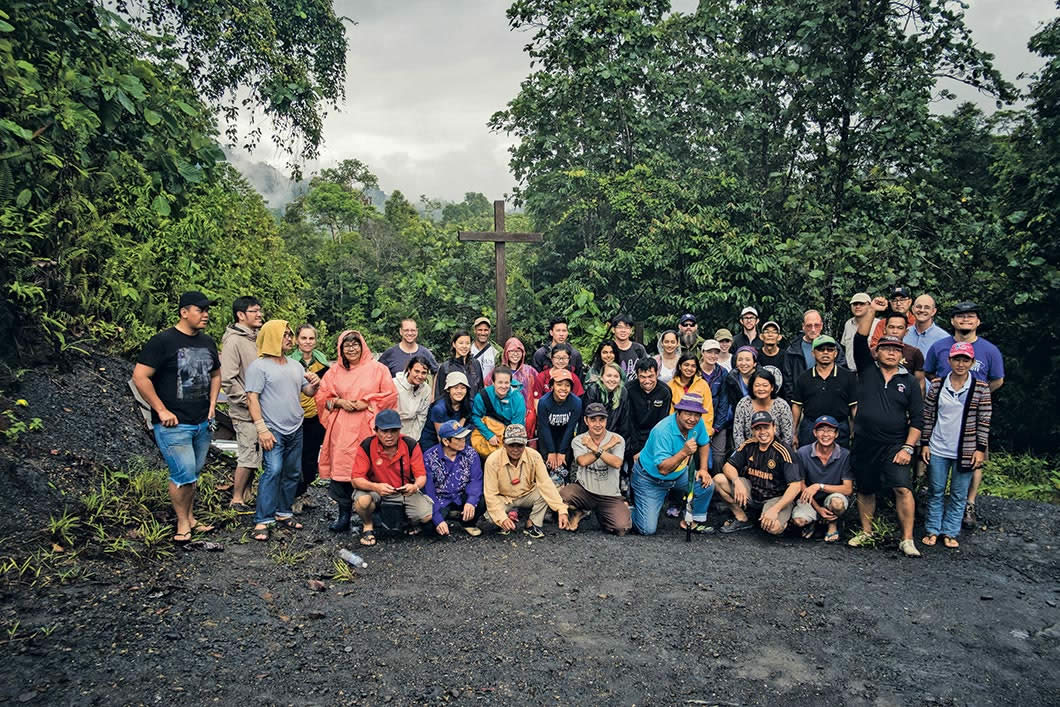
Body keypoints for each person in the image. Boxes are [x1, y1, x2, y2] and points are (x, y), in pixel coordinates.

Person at [132, 291, 221, 544]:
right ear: (184, 312)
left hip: (202, 422)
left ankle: (191, 517)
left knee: (193, 472)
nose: (206, 315)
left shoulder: (207, 342)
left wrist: (213, 404)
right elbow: (140, 376)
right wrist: (161, 409)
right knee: (183, 474)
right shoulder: (162, 342)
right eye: (200, 310)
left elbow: (216, 375)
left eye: (207, 310)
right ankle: (182, 522)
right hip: (173, 424)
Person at [848, 302, 924, 557]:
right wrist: (871, 310)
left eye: (895, 349)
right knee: (866, 488)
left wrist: (908, 447)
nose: (891, 353)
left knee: (902, 488)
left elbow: (917, 419)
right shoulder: (866, 370)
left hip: (895, 445)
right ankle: (867, 532)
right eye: (886, 348)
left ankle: (908, 539)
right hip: (865, 442)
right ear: (877, 351)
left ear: (901, 354)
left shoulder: (910, 381)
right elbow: (861, 336)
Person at [923, 301, 1005, 529]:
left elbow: (998, 380)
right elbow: (928, 372)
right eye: (960, 316)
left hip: (972, 422)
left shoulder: (989, 350)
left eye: (970, 317)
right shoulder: (940, 346)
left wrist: (976, 397)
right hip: (943, 415)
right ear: (952, 321)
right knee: (937, 484)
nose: (965, 320)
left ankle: (969, 503)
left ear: (978, 322)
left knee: (974, 462)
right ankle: (934, 524)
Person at [315, 330, 399, 533]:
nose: (351, 348)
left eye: (355, 344)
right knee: (342, 470)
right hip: (342, 428)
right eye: (347, 345)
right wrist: (339, 401)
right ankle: (344, 514)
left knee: (371, 467)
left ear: (363, 346)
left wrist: (367, 402)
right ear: (341, 349)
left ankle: (373, 514)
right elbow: (322, 397)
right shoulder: (334, 371)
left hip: (367, 426)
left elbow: (390, 395)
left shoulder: (378, 369)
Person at [246, 321, 321, 541]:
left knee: (292, 472)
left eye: (290, 334)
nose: (289, 338)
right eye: (285, 335)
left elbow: (305, 392)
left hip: (295, 427)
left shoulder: (295, 366)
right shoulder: (259, 367)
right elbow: (252, 398)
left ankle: (284, 512)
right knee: (273, 470)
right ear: (272, 337)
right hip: (272, 429)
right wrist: (261, 429)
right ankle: (262, 519)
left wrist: (314, 385)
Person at [920, 342, 992, 549]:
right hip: (939, 445)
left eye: (965, 360)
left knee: (959, 493)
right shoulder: (938, 385)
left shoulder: (980, 388)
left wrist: (980, 449)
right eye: (957, 359)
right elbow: (928, 416)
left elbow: (984, 420)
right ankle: (933, 529)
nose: (961, 364)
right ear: (949, 360)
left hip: (966, 449)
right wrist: (925, 443)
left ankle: (950, 532)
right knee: (936, 490)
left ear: (972, 362)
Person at [630, 393, 715, 535]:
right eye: (688, 414)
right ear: (678, 412)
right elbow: (663, 469)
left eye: (697, 415)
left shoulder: (697, 423)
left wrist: (703, 469)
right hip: (650, 479)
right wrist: (684, 452)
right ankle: (630, 510)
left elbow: (704, 442)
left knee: (706, 484)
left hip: (678, 474)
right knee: (647, 529)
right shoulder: (662, 430)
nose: (693, 419)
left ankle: (691, 521)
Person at [350, 409, 433, 547]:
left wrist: (415, 486)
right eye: (384, 431)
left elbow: (421, 476)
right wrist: (375, 487)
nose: (389, 436)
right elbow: (355, 479)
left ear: (399, 430)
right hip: (375, 490)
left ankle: (406, 521)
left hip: (402, 490)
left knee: (426, 515)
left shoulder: (410, 444)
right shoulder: (367, 445)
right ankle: (368, 525)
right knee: (363, 501)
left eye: (393, 431)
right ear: (376, 431)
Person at [713, 411, 801, 535]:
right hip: (753, 491)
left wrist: (775, 509)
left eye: (766, 427)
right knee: (718, 479)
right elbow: (728, 466)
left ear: (774, 427)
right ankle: (742, 518)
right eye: (758, 428)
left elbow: (796, 486)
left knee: (773, 528)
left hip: (775, 498)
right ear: (753, 431)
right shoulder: (749, 444)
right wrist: (736, 481)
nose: (762, 432)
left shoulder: (783, 451)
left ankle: (787, 519)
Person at [482, 424, 570, 537]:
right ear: (504, 443)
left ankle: (532, 524)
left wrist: (562, 509)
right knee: (491, 515)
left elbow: (546, 484)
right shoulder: (492, 461)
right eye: (511, 445)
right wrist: (501, 518)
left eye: (519, 445)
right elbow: (490, 494)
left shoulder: (534, 456)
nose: (515, 449)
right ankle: (504, 524)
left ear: (526, 443)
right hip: (504, 498)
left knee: (546, 492)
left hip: (527, 493)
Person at [220, 295, 264, 512]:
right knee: (248, 455)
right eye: (254, 311)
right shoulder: (233, 341)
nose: (259, 314)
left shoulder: (253, 338)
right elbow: (228, 378)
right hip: (245, 410)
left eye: (259, 310)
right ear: (240, 315)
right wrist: (248, 400)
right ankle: (236, 498)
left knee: (255, 453)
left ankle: (246, 494)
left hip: (258, 409)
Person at [560, 402, 632, 535]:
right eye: (593, 419)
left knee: (622, 528)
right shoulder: (579, 439)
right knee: (561, 496)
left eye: (601, 419)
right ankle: (579, 511)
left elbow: (616, 463)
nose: (598, 424)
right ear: (586, 420)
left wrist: (594, 448)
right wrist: (605, 447)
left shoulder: (617, 439)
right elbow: (582, 461)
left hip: (609, 495)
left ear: (606, 420)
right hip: (585, 490)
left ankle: (602, 513)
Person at [288, 324, 330, 514]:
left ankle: (303, 491)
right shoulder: (289, 361)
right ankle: (292, 495)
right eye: (303, 338)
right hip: (294, 414)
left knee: (311, 457)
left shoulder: (322, 362)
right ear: (297, 340)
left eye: (311, 338)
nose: (307, 342)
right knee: (293, 457)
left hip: (315, 414)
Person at [791, 416, 854, 542]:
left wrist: (819, 486)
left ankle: (832, 525)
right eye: (821, 430)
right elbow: (801, 483)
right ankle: (813, 522)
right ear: (815, 433)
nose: (826, 434)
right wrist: (818, 509)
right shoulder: (803, 452)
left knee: (837, 503)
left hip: (832, 496)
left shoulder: (845, 455)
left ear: (836, 434)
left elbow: (848, 489)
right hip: (810, 498)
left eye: (830, 431)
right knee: (798, 521)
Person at [790, 335, 857, 447]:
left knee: (840, 462)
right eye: (821, 349)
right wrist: (794, 432)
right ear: (813, 353)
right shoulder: (803, 378)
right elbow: (797, 406)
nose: (825, 352)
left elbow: (854, 407)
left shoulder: (848, 377)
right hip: (810, 427)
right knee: (807, 461)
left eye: (830, 350)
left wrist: (856, 430)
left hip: (839, 428)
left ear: (835, 353)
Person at [423, 420, 484, 537]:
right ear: (446, 441)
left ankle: (468, 523)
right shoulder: (429, 457)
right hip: (440, 499)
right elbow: (428, 490)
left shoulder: (471, 453)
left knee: (481, 501)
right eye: (458, 439)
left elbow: (476, 479)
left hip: (462, 495)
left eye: (463, 437)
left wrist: (471, 501)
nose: (463, 441)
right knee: (430, 528)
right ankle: (449, 515)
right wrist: (437, 518)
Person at [624, 358, 674, 500]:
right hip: (633, 435)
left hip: (654, 436)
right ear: (637, 375)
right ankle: (631, 497)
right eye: (643, 377)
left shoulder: (664, 391)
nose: (647, 381)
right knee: (633, 469)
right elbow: (628, 421)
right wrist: (635, 450)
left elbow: (662, 424)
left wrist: (646, 449)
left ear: (657, 373)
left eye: (651, 376)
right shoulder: (629, 389)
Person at [537, 369, 583, 485]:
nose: (563, 388)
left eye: (567, 385)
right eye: (559, 384)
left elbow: (571, 427)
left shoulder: (576, 402)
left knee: (563, 465)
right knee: (549, 464)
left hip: (565, 436)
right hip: (547, 435)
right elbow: (544, 427)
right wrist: (551, 451)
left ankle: (565, 485)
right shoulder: (544, 402)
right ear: (552, 386)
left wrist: (562, 452)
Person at [486, 337, 538, 437]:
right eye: (512, 351)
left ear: (523, 353)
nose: (515, 354)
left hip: (526, 417)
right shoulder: (498, 371)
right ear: (506, 352)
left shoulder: (530, 371)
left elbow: (538, 392)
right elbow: (487, 389)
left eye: (518, 351)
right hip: (502, 417)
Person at [471, 365, 527, 455]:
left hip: (511, 437)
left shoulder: (518, 399)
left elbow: (517, 425)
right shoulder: (483, 396)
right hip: (488, 434)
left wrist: (505, 442)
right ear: (493, 382)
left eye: (506, 383)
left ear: (510, 382)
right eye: (500, 382)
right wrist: (489, 435)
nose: (503, 386)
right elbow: (475, 417)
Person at [732, 368, 794, 447]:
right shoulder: (743, 404)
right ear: (752, 387)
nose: (761, 389)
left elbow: (788, 436)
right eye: (757, 385)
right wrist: (744, 454)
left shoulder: (782, 406)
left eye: (765, 385)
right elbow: (738, 434)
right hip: (748, 451)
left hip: (776, 451)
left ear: (772, 387)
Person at [875, 305, 926, 394]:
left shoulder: (914, 353)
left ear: (906, 332)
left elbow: (920, 382)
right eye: (891, 327)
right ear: (884, 329)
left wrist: (918, 405)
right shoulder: (874, 351)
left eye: (900, 328)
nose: (895, 331)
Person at [699, 339, 731, 474]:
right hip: (697, 422)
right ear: (702, 353)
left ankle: (717, 486)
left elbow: (724, 400)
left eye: (716, 353)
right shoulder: (695, 370)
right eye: (709, 352)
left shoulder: (722, 372)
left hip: (718, 422)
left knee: (718, 458)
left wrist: (716, 427)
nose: (713, 356)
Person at [580, 361, 631, 442]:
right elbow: (585, 419)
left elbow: (624, 422)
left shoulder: (623, 392)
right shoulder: (593, 391)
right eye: (609, 375)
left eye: (616, 376)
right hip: (592, 438)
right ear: (601, 377)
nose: (612, 379)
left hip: (614, 437)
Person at [421, 372, 472, 449]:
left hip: (454, 438)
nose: (459, 391)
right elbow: (441, 436)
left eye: (463, 388)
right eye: (455, 388)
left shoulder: (468, 403)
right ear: (448, 389)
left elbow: (459, 428)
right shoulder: (439, 409)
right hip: (434, 441)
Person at [782, 310, 824, 401]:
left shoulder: (832, 347)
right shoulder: (792, 350)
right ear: (803, 326)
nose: (813, 329)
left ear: (821, 326)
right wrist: (793, 402)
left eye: (816, 325)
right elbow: (787, 381)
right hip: (801, 400)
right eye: (809, 325)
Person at [434, 330, 484, 401]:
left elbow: (481, 390)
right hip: (452, 410)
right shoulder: (446, 367)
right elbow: (439, 394)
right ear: (454, 344)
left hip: (473, 408)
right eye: (461, 343)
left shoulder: (476, 364)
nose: (464, 346)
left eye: (467, 343)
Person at [394, 356, 432, 440]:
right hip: (393, 430)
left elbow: (421, 417)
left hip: (412, 432)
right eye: (416, 371)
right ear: (409, 369)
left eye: (424, 373)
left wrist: (413, 440)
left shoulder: (426, 390)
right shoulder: (394, 384)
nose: (420, 376)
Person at [905, 294, 949, 359]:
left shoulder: (944, 338)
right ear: (913, 309)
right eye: (919, 307)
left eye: (927, 307)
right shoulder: (904, 333)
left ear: (933, 311)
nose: (922, 310)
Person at [841, 292, 877, 371]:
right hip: (850, 371)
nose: (858, 306)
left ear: (870, 305)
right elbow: (844, 347)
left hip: (871, 371)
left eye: (861, 304)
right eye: (855, 304)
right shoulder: (848, 324)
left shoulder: (877, 324)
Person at [612, 313, 648, 380]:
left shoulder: (639, 349)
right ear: (613, 329)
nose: (623, 330)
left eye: (627, 327)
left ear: (631, 330)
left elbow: (646, 370)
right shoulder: (609, 349)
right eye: (620, 327)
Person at [470, 315, 498, 380]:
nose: (483, 333)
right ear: (475, 330)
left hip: (490, 389)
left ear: (490, 331)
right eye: (480, 330)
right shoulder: (468, 350)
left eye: (486, 330)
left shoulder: (496, 351)